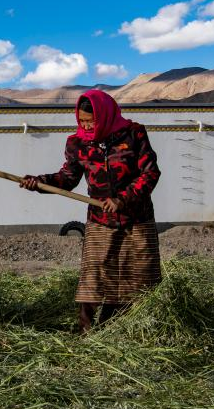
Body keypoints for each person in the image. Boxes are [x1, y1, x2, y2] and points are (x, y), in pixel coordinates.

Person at [20, 89, 161, 331]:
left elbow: (150, 173)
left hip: (136, 219)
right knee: (94, 278)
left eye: (90, 121)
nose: (85, 126)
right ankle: (85, 331)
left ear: (104, 116)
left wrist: (123, 199)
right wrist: (39, 182)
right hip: (100, 220)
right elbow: (67, 178)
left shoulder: (134, 134)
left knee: (139, 277)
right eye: (82, 121)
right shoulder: (76, 143)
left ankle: (124, 327)